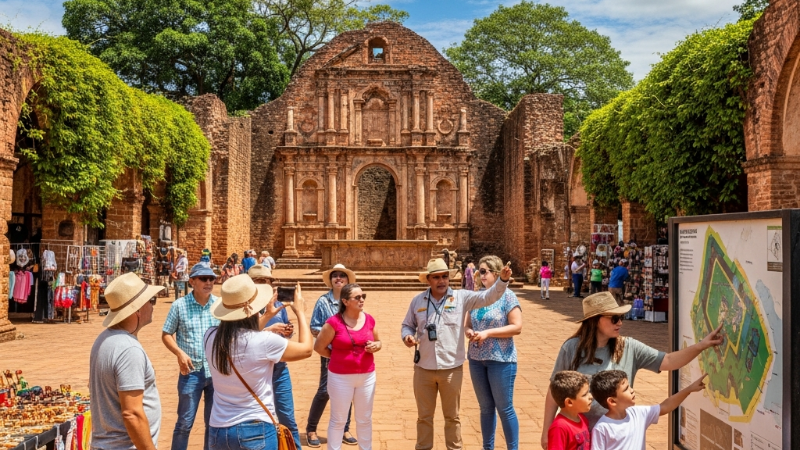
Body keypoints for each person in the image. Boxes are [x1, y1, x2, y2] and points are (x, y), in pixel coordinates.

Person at [539, 291, 723, 449]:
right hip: (580, 437)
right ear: (595, 321)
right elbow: (555, 390)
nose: (620, 323)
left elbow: (668, 361)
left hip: (619, 435)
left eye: (621, 317)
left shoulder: (628, 347)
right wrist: (547, 429)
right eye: (614, 318)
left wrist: (701, 346)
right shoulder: (571, 348)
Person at [401, 258, 512, 450]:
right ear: (428, 279)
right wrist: (407, 336)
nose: (442, 281)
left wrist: (502, 281)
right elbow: (407, 325)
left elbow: (488, 297)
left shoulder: (461, 298)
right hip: (423, 369)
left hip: (451, 369)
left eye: (445, 276)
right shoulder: (418, 301)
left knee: (452, 417)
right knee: (424, 417)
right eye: (437, 277)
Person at [204, 275, 312, 450]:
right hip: (255, 426)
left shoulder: (210, 336)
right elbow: (306, 349)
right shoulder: (264, 341)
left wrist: (267, 315)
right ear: (253, 310)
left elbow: (241, 335)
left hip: (219, 428)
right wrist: (299, 311)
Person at [89, 273, 165, 450]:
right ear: (137, 309)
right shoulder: (129, 349)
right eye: (151, 301)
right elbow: (132, 413)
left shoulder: (104, 339)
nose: (152, 306)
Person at [464, 256, 522, 450]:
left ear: (496, 273)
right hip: (476, 359)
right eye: (479, 271)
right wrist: (469, 332)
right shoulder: (477, 296)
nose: (480, 275)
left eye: (484, 271)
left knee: (505, 408)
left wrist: (488, 333)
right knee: (486, 408)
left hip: (501, 359)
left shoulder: (508, 296)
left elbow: (516, 327)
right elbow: (467, 324)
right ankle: (487, 447)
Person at [314, 283, 381, 450]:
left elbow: (378, 341)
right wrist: (338, 357)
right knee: (338, 420)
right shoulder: (333, 323)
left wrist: (376, 346)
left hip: (367, 376)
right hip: (340, 378)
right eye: (357, 297)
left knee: (364, 419)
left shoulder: (369, 319)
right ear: (345, 301)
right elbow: (319, 347)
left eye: (363, 296)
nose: (362, 300)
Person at [161, 263, 220, 450]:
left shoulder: (219, 305)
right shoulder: (180, 306)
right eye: (203, 279)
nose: (208, 282)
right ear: (192, 281)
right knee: (184, 423)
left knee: (213, 423)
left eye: (211, 279)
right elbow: (166, 334)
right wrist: (179, 353)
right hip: (191, 372)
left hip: (215, 372)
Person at [248, 264, 302, 450]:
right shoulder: (245, 308)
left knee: (288, 417)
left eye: (268, 280)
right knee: (258, 419)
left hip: (279, 368)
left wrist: (288, 331)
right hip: (255, 371)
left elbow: (286, 327)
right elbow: (241, 337)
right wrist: (268, 329)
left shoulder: (278, 305)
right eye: (260, 280)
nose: (265, 284)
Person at [589, 370, 707, 450]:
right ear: (612, 401)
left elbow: (665, 406)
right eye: (626, 389)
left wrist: (689, 389)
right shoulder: (602, 428)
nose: (632, 390)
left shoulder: (638, 414)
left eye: (630, 386)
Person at [307, 264, 358, 447]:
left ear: (347, 280)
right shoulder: (323, 301)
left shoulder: (352, 301)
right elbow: (314, 326)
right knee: (324, 390)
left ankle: (345, 428)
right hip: (329, 352)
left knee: (347, 390)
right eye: (334, 275)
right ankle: (311, 429)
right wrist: (333, 334)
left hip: (349, 353)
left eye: (342, 276)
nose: (338, 278)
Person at [547, 371, 592, 450]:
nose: (591, 396)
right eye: (585, 395)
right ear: (569, 402)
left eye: (588, 392)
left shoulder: (582, 418)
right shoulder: (559, 427)